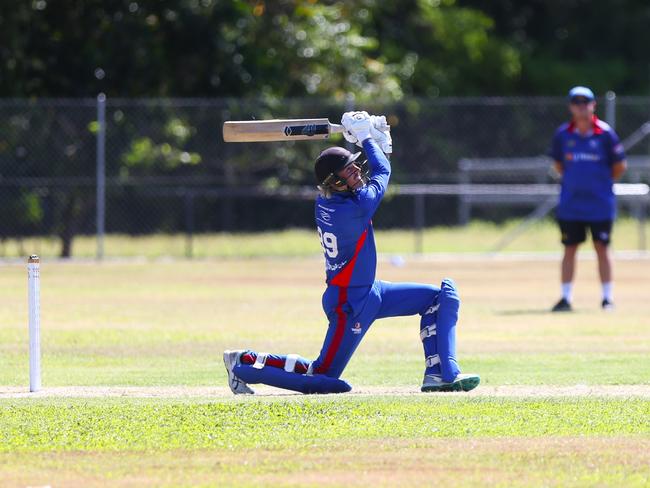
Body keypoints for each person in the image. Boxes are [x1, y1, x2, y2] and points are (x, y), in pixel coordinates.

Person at [223, 111, 480, 394]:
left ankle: (442, 373)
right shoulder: (353, 208)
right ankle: (242, 366)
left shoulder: (332, 200)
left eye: (355, 165)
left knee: (440, 298)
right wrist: (367, 138)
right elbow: (383, 172)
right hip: (349, 303)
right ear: (335, 181)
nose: (357, 170)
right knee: (325, 378)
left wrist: (373, 141)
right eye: (349, 169)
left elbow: (373, 172)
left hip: (370, 291)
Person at [549, 86, 627, 312]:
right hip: (571, 204)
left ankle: (607, 298)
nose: (581, 107)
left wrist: (599, 184)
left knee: (602, 247)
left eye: (586, 102)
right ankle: (565, 298)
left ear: (593, 105)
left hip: (599, 204)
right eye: (576, 103)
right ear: (570, 107)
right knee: (569, 248)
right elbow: (558, 165)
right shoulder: (563, 135)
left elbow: (619, 166)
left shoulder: (605, 134)